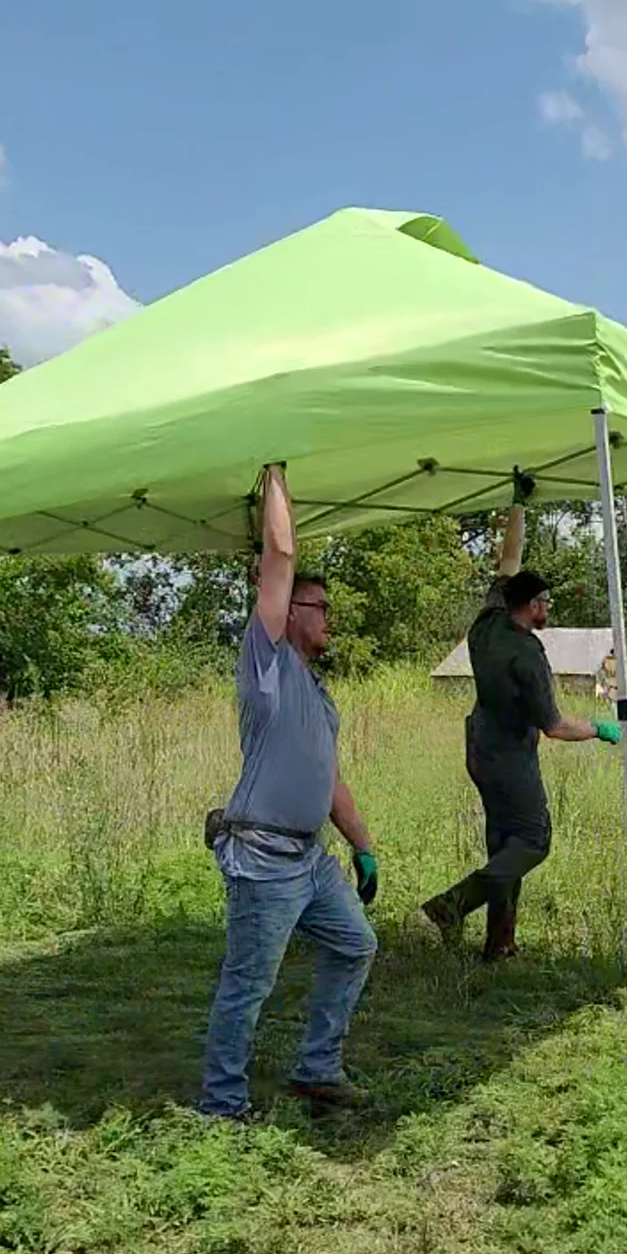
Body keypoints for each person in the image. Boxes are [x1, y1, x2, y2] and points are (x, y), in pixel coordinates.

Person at [199, 465, 379, 1120]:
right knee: (248, 986)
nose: (330, 618)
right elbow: (279, 553)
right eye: (320, 607)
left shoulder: (317, 693)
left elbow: (330, 779)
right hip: (264, 859)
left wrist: (363, 848)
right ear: (287, 612)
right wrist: (275, 468)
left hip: (310, 861)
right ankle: (221, 1104)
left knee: (357, 944)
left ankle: (317, 1069)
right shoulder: (265, 663)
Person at [421, 470, 621, 960]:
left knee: (505, 846)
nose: (547, 608)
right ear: (532, 607)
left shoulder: (486, 623)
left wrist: (517, 506)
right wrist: (600, 727)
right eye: (545, 603)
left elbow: (507, 562)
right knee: (533, 841)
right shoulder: (528, 656)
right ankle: (453, 903)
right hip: (511, 758)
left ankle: (500, 943)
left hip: (481, 749)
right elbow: (555, 727)